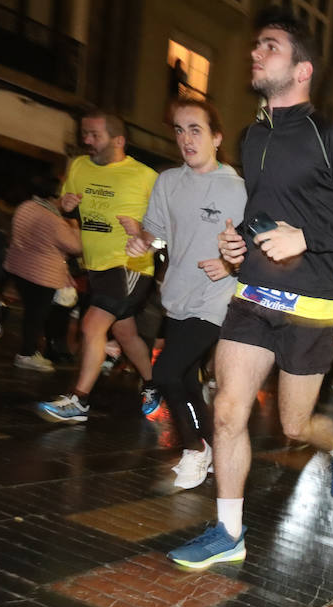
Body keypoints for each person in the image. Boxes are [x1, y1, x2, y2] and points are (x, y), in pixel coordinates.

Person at [167, 6, 333, 569]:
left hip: (312, 306)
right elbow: (265, 215)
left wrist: (306, 237)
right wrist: (238, 243)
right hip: (255, 297)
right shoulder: (251, 137)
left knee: (294, 426)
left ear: (302, 69)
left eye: (270, 47)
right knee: (228, 412)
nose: (256, 53)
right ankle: (229, 532)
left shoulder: (330, 137)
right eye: (257, 46)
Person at [121, 98, 246, 490]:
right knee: (187, 380)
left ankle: (193, 451)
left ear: (216, 137)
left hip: (216, 300)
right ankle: (212, 449)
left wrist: (229, 265)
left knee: (165, 372)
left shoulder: (239, 190)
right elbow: (156, 233)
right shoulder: (168, 182)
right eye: (179, 129)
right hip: (176, 295)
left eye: (196, 129)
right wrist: (141, 241)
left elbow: (257, 253)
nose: (186, 139)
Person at [38, 110, 159, 423]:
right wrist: (65, 206)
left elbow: (167, 224)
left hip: (131, 265)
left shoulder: (145, 176)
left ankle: (79, 401)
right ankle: (152, 383)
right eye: (85, 134)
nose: (87, 141)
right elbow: (66, 202)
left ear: (118, 140)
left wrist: (142, 230)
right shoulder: (78, 166)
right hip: (96, 267)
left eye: (94, 135)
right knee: (125, 332)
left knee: (92, 324)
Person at [4, 173, 83, 372]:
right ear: (54, 196)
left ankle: (28, 351)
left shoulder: (25, 207)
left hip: (19, 267)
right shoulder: (52, 220)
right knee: (36, 316)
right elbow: (75, 246)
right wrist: (74, 224)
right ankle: (27, 355)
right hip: (42, 274)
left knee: (30, 313)